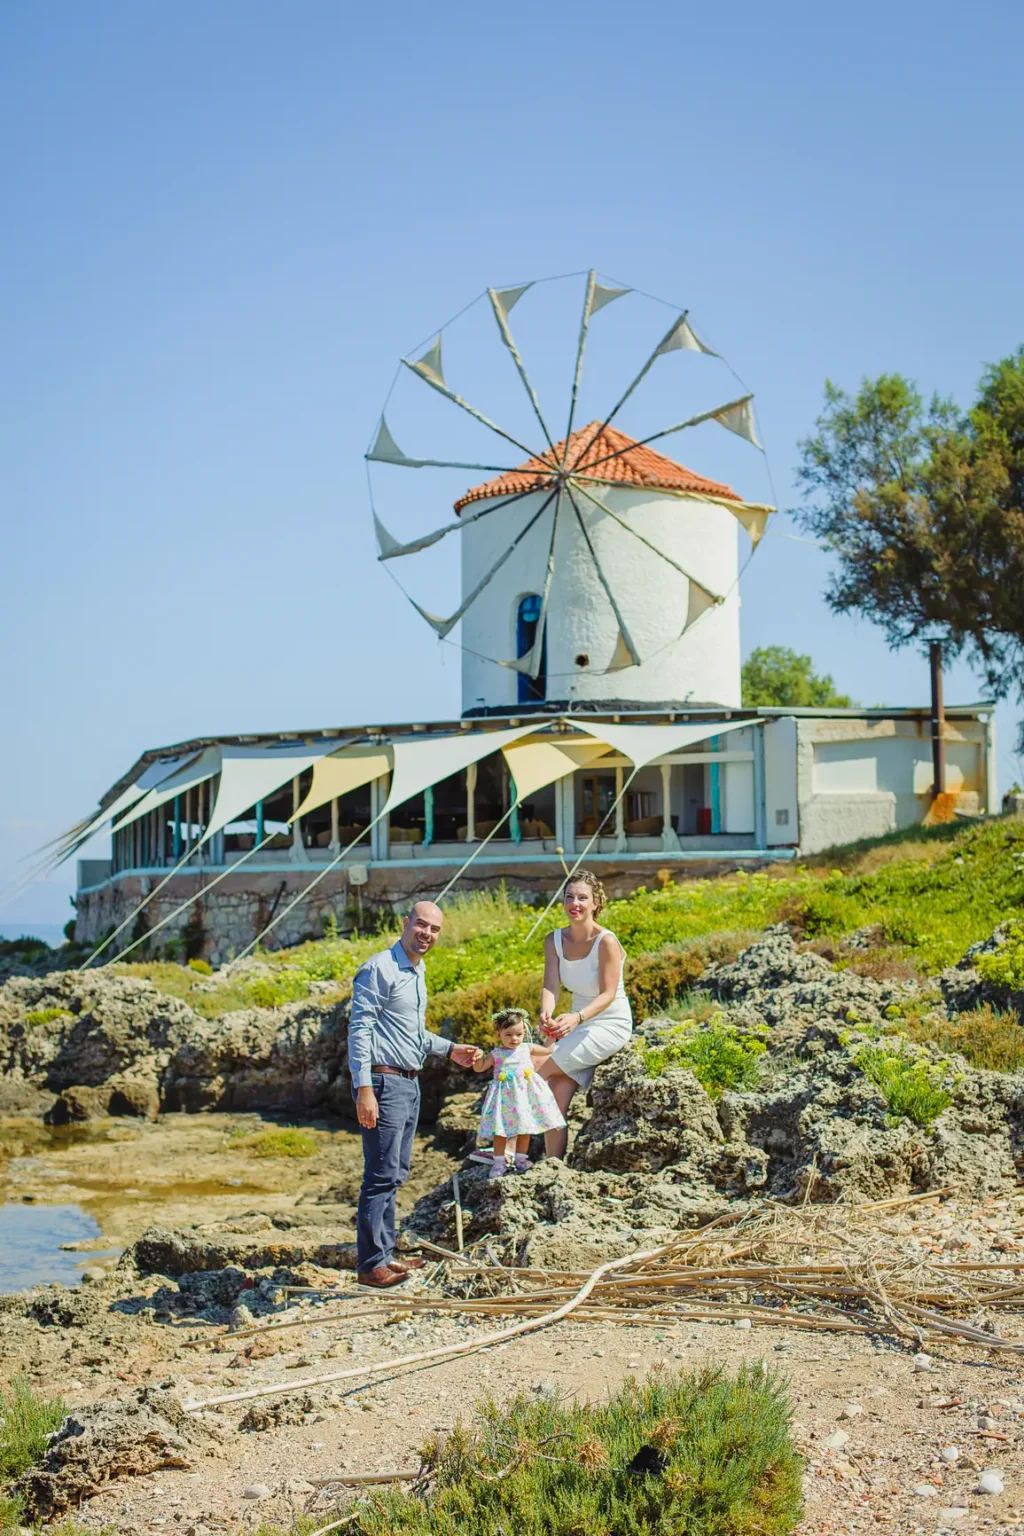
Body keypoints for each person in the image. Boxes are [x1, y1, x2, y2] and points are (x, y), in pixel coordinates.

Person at [349, 900, 480, 1289]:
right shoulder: (379, 969)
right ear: (405, 923)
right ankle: (371, 1264)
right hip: (384, 1082)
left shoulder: (417, 972)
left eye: (434, 929)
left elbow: (412, 1034)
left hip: (410, 1082)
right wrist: (364, 1090)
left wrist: (449, 1048)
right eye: (421, 925)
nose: (427, 934)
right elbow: (360, 1031)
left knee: (396, 1172)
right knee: (380, 1174)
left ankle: (385, 1255)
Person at [538, 870, 632, 1159]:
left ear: (595, 903)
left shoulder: (606, 941)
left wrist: (576, 1018)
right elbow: (550, 984)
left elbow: (607, 994)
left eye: (582, 897)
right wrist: (547, 1013)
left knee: (530, 1073)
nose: (574, 903)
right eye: (569, 897)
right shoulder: (553, 940)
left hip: (609, 1022)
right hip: (575, 1021)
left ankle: (502, 1146)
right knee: (554, 1098)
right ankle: (553, 1165)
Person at [471, 1007, 566, 1180]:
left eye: (519, 1034)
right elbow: (480, 1068)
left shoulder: (527, 1048)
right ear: (498, 1033)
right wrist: (477, 1057)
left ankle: (520, 1159)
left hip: (524, 1096)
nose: (514, 1039)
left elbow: (548, 1050)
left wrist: (552, 1034)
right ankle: (499, 1162)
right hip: (504, 1098)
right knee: (501, 1130)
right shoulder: (496, 1053)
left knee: (525, 1127)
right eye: (508, 1034)